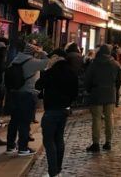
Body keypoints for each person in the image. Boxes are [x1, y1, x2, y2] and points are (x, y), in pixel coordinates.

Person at [35, 49, 78, 177]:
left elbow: (38, 85)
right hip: (64, 109)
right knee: (59, 138)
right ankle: (57, 168)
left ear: (56, 58)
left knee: (49, 140)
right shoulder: (71, 72)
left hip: (51, 110)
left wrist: (47, 70)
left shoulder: (51, 72)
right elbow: (75, 93)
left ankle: (53, 171)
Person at [6, 42, 49, 156]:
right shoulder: (31, 62)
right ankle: (23, 148)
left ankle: (10, 146)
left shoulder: (15, 60)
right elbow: (46, 63)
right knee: (24, 122)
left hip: (14, 94)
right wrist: (42, 52)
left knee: (14, 121)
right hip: (26, 94)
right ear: (33, 52)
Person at [84, 44, 121, 152]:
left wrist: (89, 90)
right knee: (109, 117)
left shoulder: (94, 64)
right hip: (110, 93)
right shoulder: (115, 64)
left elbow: (88, 79)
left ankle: (96, 144)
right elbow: (119, 80)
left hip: (96, 93)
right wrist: (115, 90)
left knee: (96, 119)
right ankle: (108, 142)